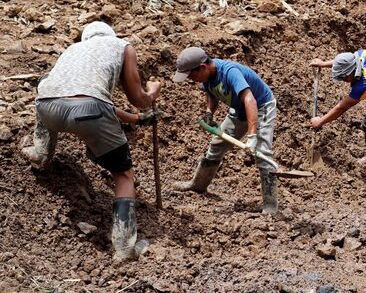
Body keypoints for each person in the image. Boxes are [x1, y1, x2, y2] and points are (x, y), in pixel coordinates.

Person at [21, 21, 162, 261]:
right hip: (91, 112)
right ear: (111, 35)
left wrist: (137, 120)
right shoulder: (122, 46)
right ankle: (125, 248)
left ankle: (42, 153)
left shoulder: (73, 51)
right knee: (124, 176)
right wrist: (152, 92)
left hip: (48, 107)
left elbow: (91, 98)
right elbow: (137, 98)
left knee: (49, 90)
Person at [171, 47, 279, 214]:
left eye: (191, 75)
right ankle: (198, 185)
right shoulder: (206, 77)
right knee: (217, 145)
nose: (191, 79)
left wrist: (252, 136)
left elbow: (249, 100)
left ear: (203, 67)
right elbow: (212, 93)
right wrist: (209, 112)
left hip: (261, 106)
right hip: (238, 110)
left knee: (262, 152)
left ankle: (271, 206)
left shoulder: (230, 72)